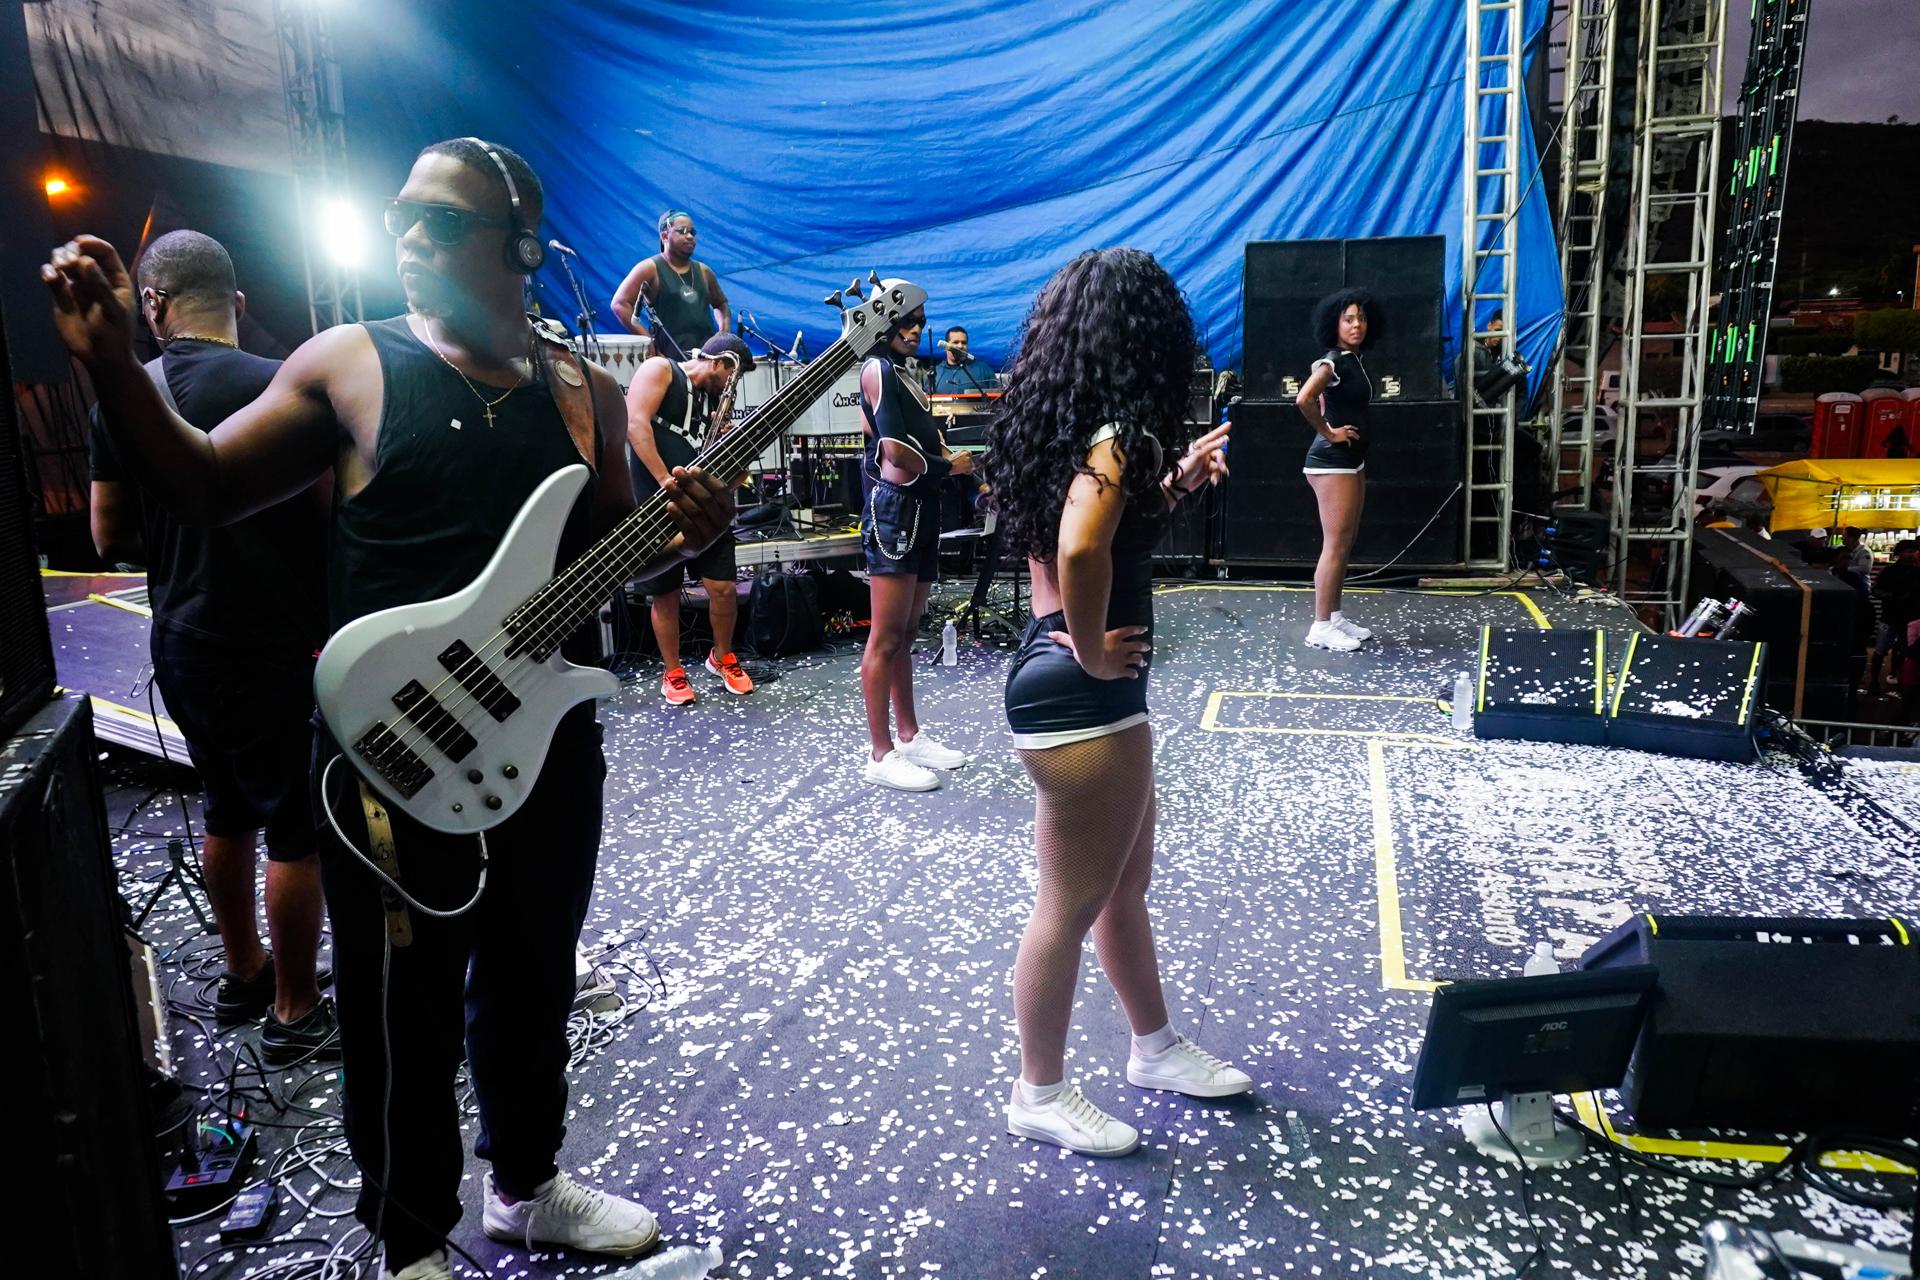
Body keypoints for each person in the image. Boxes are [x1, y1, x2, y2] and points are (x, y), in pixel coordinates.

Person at [45, 138, 733, 1280]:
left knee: (534, 972)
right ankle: (409, 1237)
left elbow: (616, 561)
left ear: (521, 247)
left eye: (439, 220)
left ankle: (524, 1186)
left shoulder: (585, 393)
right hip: (387, 747)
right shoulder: (349, 364)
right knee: (398, 1005)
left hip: (547, 741)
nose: (406, 235)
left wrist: (686, 535)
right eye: (399, 214)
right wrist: (116, 366)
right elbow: (203, 487)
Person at [988, 248, 1246, 1157]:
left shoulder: (1069, 427)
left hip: (1074, 686)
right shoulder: (1118, 434)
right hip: (1082, 693)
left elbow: (1102, 529)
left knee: (1119, 888)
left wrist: (1174, 486)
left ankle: (1155, 1047)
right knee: (1068, 904)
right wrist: (1095, 647)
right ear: (1149, 338)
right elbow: (1080, 548)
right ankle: (1039, 1092)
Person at [88, 230, 336, 1065]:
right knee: (294, 826)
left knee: (225, 808)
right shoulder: (281, 384)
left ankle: (245, 973)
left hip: (183, 639)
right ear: (236, 302)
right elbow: (330, 517)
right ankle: (296, 1011)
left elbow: (107, 535)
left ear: (152, 306)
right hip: (271, 641)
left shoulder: (124, 399)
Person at [858, 302, 976, 791]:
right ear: (884, 323)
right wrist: (949, 467)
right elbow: (892, 448)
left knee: (906, 633)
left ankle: (907, 737)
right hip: (896, 510)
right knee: (885, 638)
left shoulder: (906, 373)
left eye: (920, 322)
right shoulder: (877, 369)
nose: (916, 329)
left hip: (921, 506)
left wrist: (966, 473)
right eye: (907, 320)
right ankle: (880, 753)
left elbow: (925, 440)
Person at [625, 332, 758, 703]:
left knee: (724, 589)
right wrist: (665, 481)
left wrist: (733, 446)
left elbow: (737, 477)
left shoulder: (715, 403)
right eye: (732, 377)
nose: (732, 388)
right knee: (665, 594)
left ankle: (723, 657)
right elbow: (635, 424)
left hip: (705, 511)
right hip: (658, 505)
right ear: (719, 362)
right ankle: (673, 672)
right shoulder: (661, 369)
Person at [1295, 288, 1384, 653]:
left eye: (1360, 318)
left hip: (1351, 461)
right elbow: (1303, 398)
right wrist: (1329, 432)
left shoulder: (1353, 360)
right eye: (1348, 319)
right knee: (1334, 546)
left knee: (1345, 542)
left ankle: (1333, 617)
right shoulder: (1333, 362)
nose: (1356, 324)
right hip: (1332, 463)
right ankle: (1320, 626)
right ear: (1335, 324)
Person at [609, 209, 729, 357]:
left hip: (706, 360)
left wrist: (723, 335)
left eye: (692, 232)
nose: (690, 236)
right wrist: (647, 340)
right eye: (682, 231)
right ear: (665, 236)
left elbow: (721, 304)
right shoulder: (649, 269)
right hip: (669, 362)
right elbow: (619, 304)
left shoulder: (704, 271)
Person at [1870, 539, 1920, 695]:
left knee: (1904, 653)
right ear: (1899, 553)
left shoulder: (1917, 572)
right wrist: (1891, 596)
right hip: (1890, 617)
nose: (1911, 554)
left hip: (1908, 619)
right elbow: (1875, 589)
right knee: (1880, 651)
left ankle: (1898, 679)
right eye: (1908, 551)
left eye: (1913, 551)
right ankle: (1874, 681)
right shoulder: (1888, 571)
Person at [931, 325, 997, 394]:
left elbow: (998, 395)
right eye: (956, 342)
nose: (960, 346)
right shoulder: (936, 372)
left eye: (964, 343)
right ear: (946, 347)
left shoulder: (983, 369)